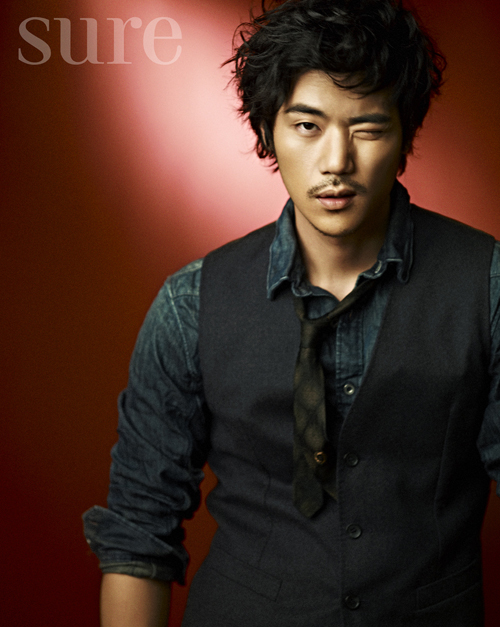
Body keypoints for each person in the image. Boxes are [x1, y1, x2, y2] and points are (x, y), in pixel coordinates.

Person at [83, 0, 500, 625]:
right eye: (307, 125)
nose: (336, 162)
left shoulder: (487, 285)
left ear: (405, 136)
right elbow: (139, 530)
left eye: (367, 129)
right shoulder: (191, 302)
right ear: (267, 131)